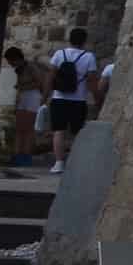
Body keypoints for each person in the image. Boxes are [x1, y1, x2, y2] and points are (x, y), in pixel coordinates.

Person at [44, 28, 98, 177]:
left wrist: (45, 96)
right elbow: (92, 80)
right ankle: (76, 164)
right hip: (78, 99)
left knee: (59, 131)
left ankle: (59, 163)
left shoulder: (59, 54)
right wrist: (97, 97)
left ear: (70, 39)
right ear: (84, 41)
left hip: (59, 98)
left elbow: (50, 76)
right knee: (77, 133)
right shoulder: (89, 57)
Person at [2, 46, 46, 164]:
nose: (10, 63)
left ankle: (26, 156)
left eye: (10, 61)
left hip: (32, 97)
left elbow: (39, 82)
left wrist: (23, 87)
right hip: (23, 97)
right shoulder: (19, 69)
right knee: (19, 128)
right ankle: (17, 155)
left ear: (16, 58)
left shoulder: (31, 67)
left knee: (28, 128)